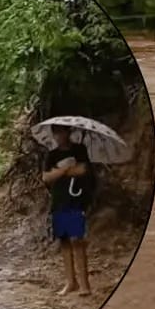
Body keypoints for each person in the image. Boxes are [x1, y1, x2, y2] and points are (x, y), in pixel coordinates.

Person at [41, 126, 96, 296]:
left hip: (76, 199)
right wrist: (63, 169)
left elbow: (83, 170)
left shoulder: (79, 149)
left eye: (61, 132)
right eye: (55, 133)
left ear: (68, 132)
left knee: (77, 240)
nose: (59, 136)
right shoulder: (52, 155)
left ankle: (85, 283)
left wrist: (66, 170)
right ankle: (71, 282)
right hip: (59, 200)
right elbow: (46, 177)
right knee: (64, 241)